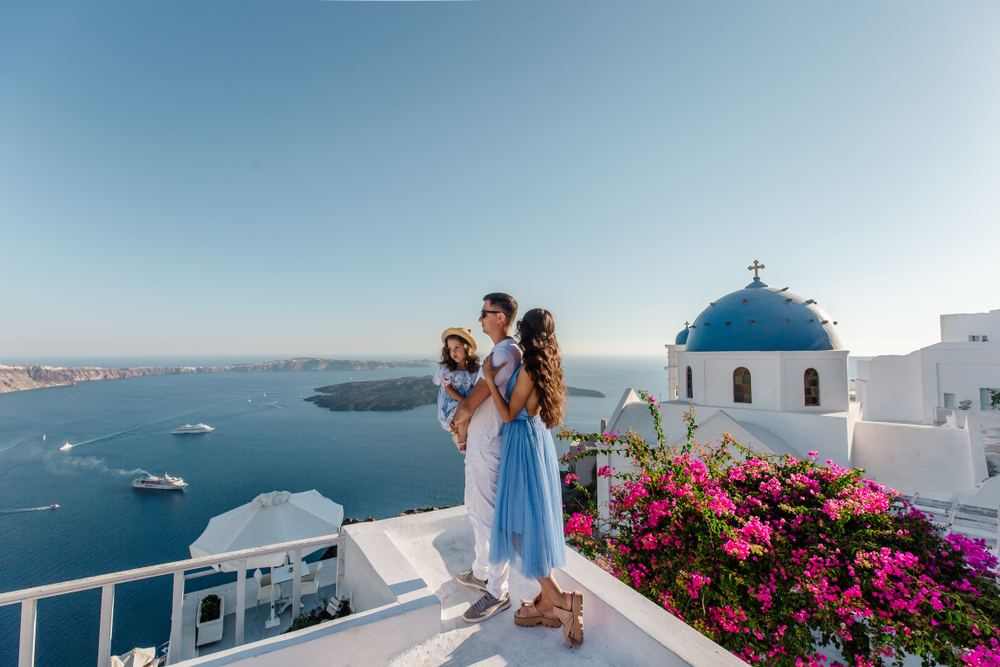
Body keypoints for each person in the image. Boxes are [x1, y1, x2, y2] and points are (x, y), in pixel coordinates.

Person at [481, 308, 583, 647]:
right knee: (535, 520)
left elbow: (509, 414)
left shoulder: (527, 368)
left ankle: (561, 601)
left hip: (521, 443)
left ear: (526, 332)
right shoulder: (549, 366)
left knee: (525, 525)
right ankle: (544, 604)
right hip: (537, 440)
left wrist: (487, 379)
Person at [450, 292, 521, 623]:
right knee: (476, 510)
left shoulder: (503, 353)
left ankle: (498, 590)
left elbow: (472, 402)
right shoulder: (501, 352)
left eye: (484, 313)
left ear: (500, 317)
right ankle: (482, 573)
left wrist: (457, 422)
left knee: (489, 517)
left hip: (487, 445)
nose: (479, 318)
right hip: (481, 443)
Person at [432, 328, 480, 450]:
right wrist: (466, 402)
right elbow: (449, 390)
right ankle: (462, 444)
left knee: (467, 419)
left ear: (467, 348)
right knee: (464, 416)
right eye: (450, 349)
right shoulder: (447, 369)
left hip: (468, 403)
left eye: (457, 347)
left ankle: (460, 436)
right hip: (452, 404)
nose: (453, 352)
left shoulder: (476, 368)